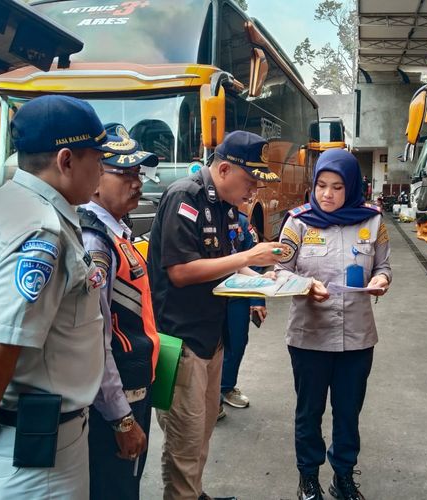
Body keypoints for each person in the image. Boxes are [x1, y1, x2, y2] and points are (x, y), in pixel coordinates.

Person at [0, 95, 133, 498]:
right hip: (39, 453)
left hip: (26, 436)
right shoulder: (41, 231)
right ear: (65, 161)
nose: (101, 171)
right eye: (97, 159)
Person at [147, 130, 285, 500]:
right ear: (224, 169)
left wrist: (263, 279)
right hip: (183, 340)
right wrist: (248, 257)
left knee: (203, 429)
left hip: (212, 336)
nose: (254, 191)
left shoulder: (223, 205)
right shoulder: (184, 197)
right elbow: (181, 270)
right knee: (185, 439)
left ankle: (193, 493)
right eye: (250, 181)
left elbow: (222, 264)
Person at [275, 148, 392, 500]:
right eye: (322, 185)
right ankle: (308, 477)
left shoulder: (372, 221)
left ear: (353, 187)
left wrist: (382, 282)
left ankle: (343, 476)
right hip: (309, 337)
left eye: (337, 187)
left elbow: (383, 267)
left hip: (357, 338)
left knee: (348, 412)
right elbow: (279, 270)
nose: (327, 194)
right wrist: (305, 286)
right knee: (309, 411)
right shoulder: (297, 221)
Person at [79, 123, 162, 500]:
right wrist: (121, 416)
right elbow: (95, 338)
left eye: (137, 173)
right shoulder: (95, 241)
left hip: (135, 385)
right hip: (117, 398)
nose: (136, 182)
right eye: (124, 173)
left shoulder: (117, 230)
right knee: (115, 485)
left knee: (127, 481)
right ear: (95, 178)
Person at [219, 211, 267, 417]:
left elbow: (253, 262)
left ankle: (226, 387)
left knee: (237, 344)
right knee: (209, 349)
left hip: (237, 298)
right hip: (209, 300)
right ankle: (211, 399)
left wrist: (257, 299)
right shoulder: (199, 217)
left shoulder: (241, 222)